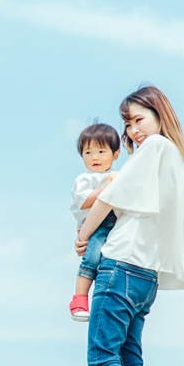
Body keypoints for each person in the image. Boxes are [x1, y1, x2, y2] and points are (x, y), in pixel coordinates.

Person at [74, 85, 184, 366]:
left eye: (139, 120)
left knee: (102, 356)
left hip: (122, 265)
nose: (133, 131)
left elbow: (109, 198)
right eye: (128, 124)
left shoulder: (154, 148)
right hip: (147, 276)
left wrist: (83, 235)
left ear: (160, 115)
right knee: (131, 363)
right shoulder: (177, 157)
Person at [68, 123, 121, 322]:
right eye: (88, 152)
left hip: (116, 222)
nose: (94, 157)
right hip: (96, 224)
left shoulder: (117, 175)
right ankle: (79, 298)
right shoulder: (85, 179)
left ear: (115, 154)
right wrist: (107, 187)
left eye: (101, 151)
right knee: (92, 259)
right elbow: (85, 201)